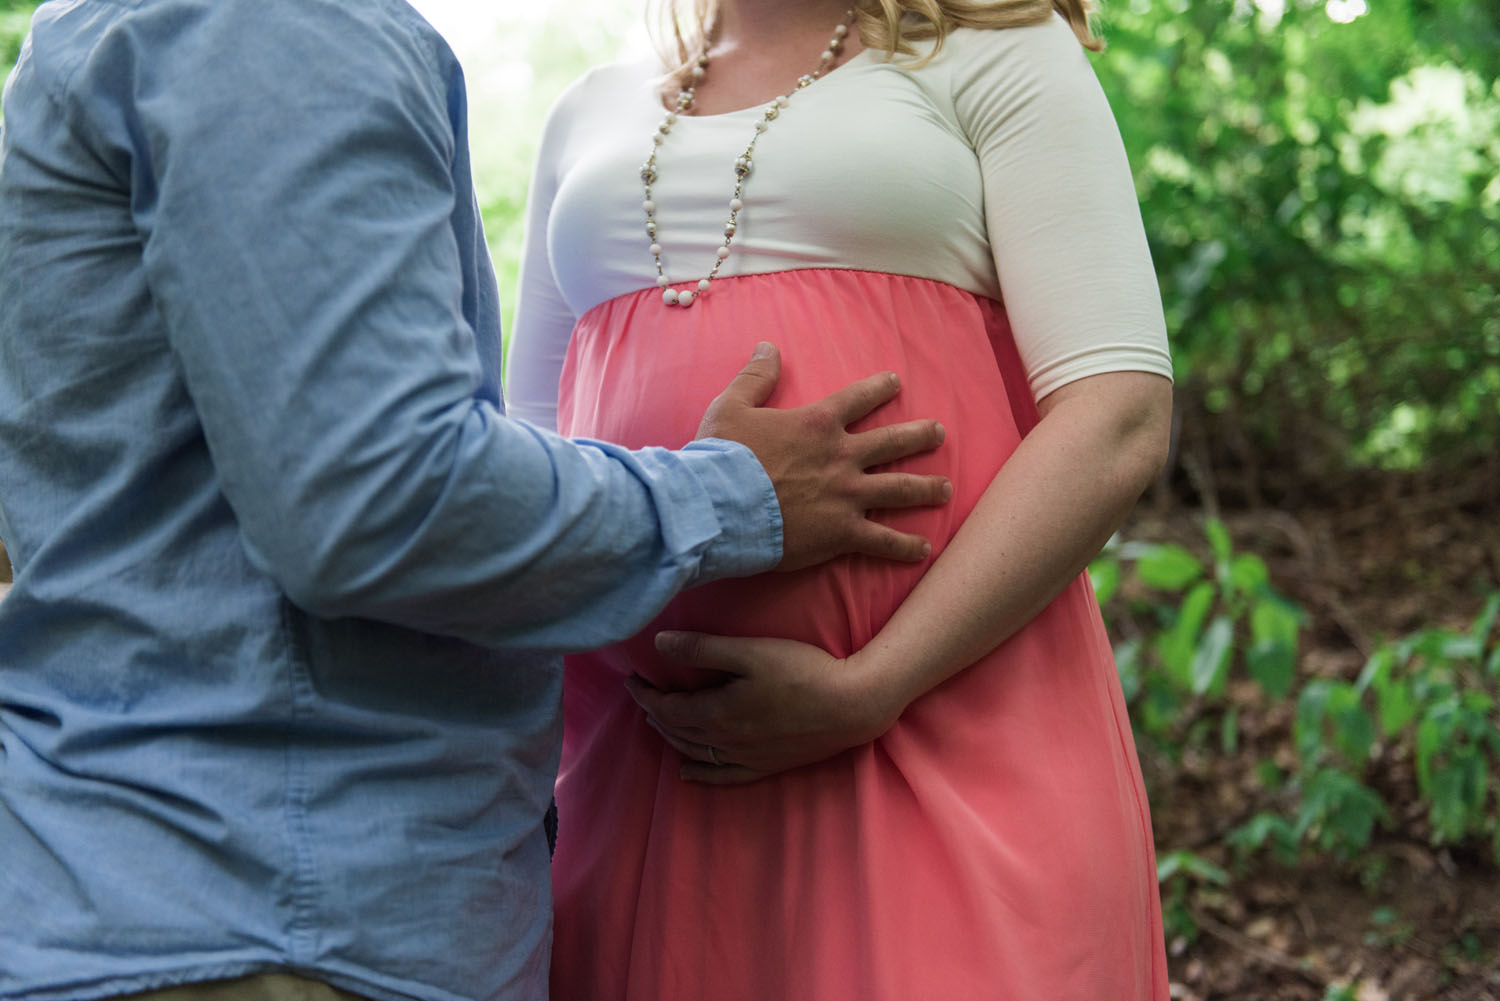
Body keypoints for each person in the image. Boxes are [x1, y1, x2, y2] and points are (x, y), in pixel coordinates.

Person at [0, 2, 955, 1001]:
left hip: (218, 900)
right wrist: (730, 495)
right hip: (276, 919)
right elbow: (377, 496)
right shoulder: (274, 29)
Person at [505, 0, 1177, 998]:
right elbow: (528, 460)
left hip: (948, 732)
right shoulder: (592, 108)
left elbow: (1117, 412)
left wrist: (875, 682)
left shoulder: (995, 49)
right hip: (643, 768)